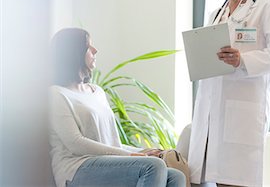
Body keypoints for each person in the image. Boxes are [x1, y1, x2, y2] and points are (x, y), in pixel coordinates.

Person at [188, 0, 270, 187]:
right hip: (212, 109)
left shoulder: (267, 6)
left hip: (242, 113)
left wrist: (242, 60)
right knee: (204, 180)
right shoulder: (217, 13)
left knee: (234, 181)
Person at [49, 27, 186, 187]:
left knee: (176, 176)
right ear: (74, 53)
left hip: (107, 163)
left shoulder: (97, 91)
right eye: (88, 46)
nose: (95, 50)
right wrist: (131, 155)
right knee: (152, 166)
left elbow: (111, 143)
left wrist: (141, 152)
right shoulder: (55, 94)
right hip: (75, 168)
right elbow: (75, 143)